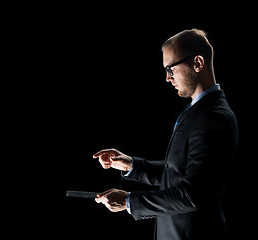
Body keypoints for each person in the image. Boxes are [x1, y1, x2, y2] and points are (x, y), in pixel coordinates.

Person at [93, 29, 239, 240]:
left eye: (171, 69)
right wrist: (131, 165)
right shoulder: (199, 110)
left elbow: (192, 195)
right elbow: (179, 174)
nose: (167, 78)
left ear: (197, 63)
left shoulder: (214, 117)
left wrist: (129, 202)